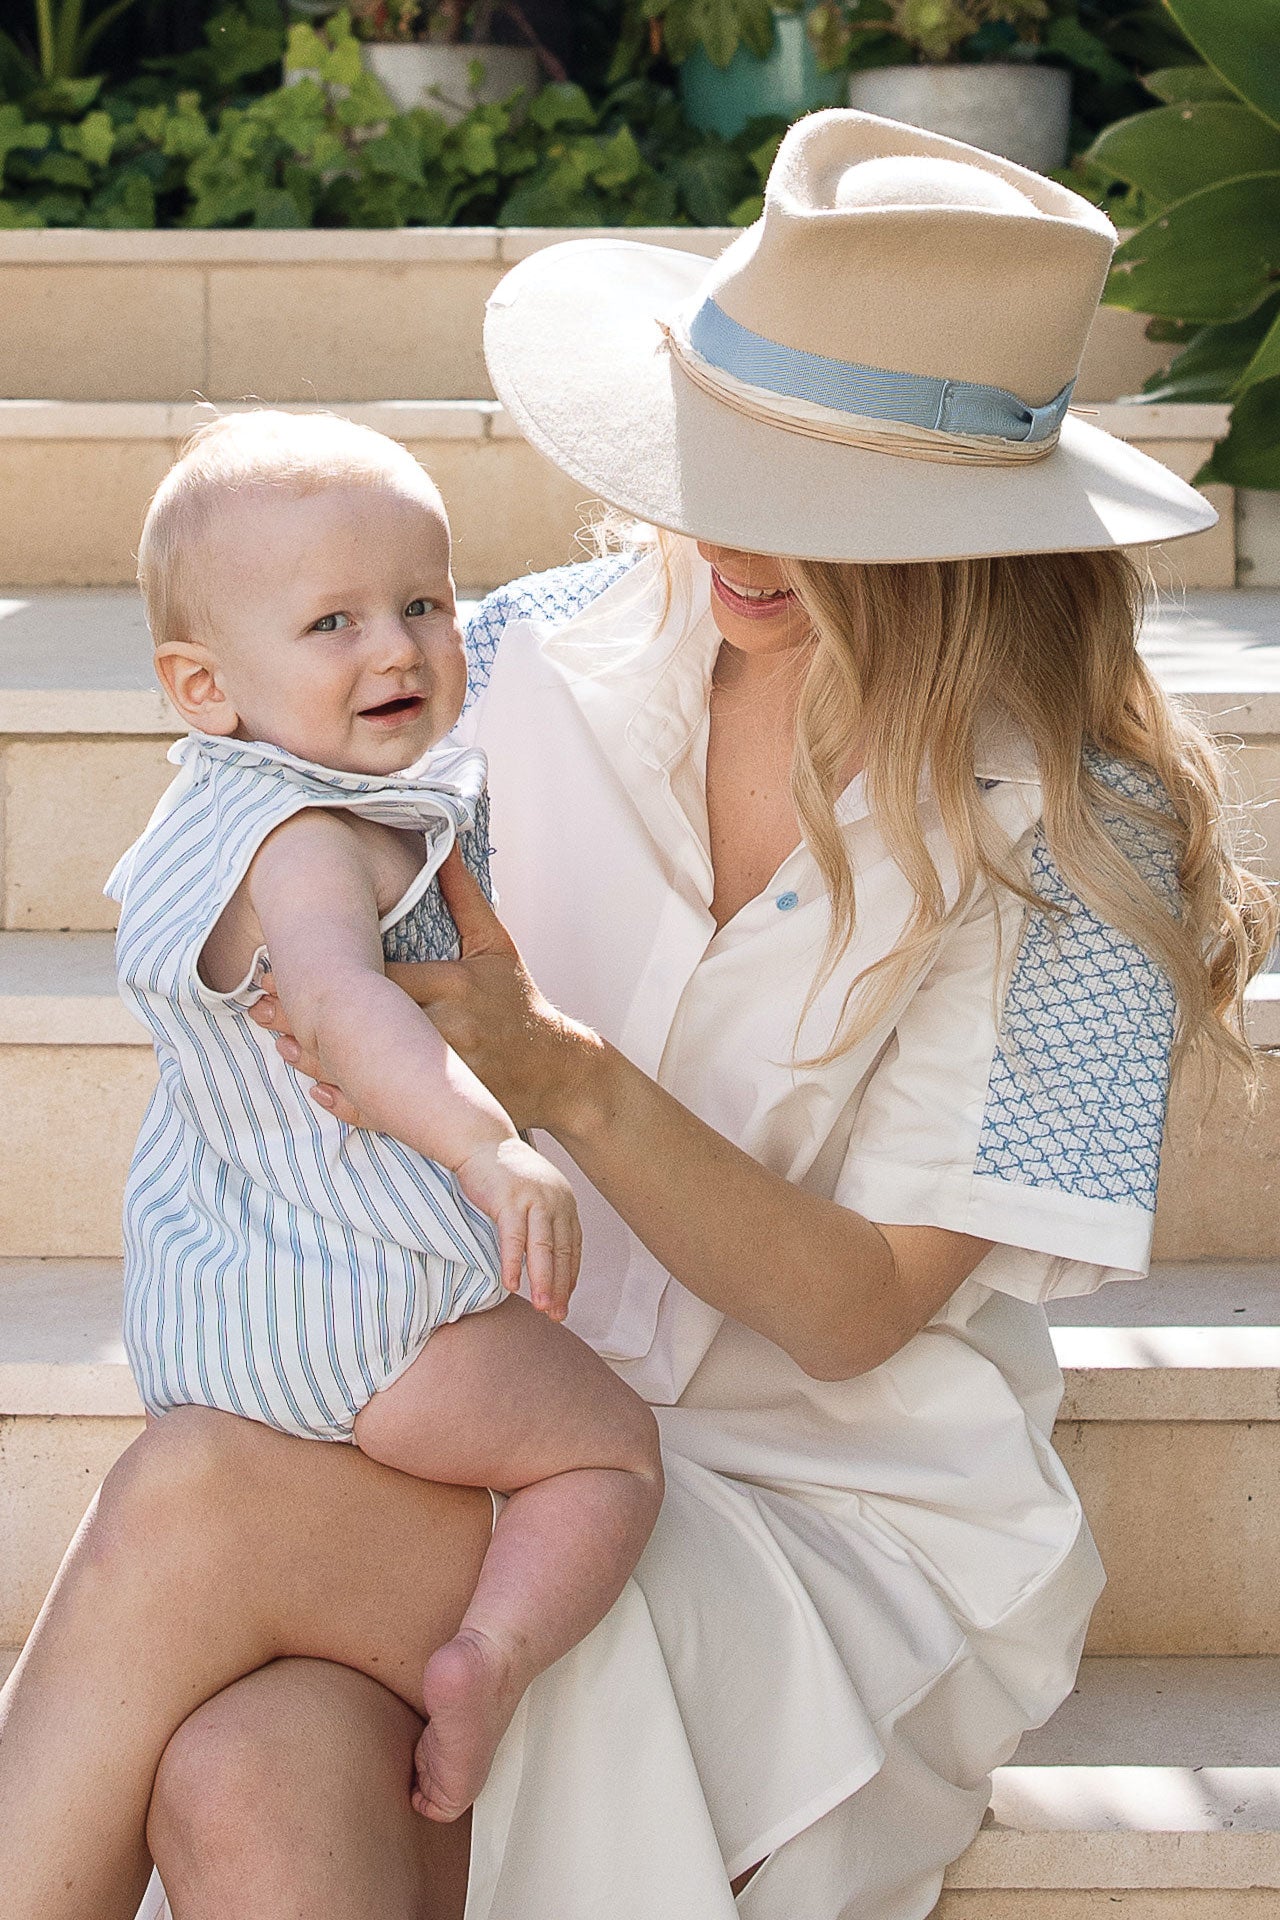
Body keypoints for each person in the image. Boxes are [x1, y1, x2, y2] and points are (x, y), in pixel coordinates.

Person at [0, 109, 1273, 1920]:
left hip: (826, 1517)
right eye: (721, 451)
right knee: (240, 1775)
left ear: (973, 524)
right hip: (484, 1426)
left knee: (200, 1501)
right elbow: (265, 877)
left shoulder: (1075, 835)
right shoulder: (509, 660)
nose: (736, 534)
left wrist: (558, 1082)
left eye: (820, 495)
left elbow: (853, 1316)